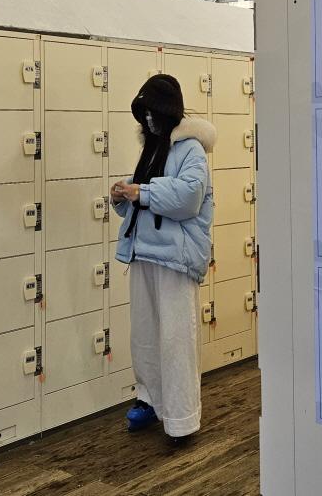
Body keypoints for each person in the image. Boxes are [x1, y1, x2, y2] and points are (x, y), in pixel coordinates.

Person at [110, 74, 216, 443]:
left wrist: (142, 191)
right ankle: (149, 399)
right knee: (144, 334)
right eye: (144, 113)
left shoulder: (191, 150)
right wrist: (123, 195)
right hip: (144, 252)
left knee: (176, 338)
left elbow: (188, 197)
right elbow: (141, 198)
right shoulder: (154, 148)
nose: (148, 119)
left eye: (153, 112)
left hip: (175, 256)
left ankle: (182, 417)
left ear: (168, 111)